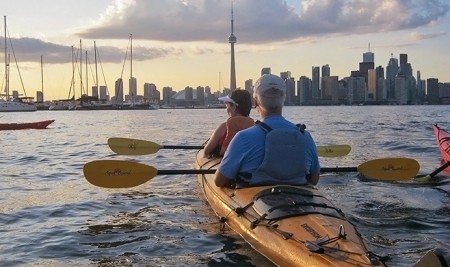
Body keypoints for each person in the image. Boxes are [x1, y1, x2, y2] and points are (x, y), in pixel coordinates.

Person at [214, 74, 320, 187]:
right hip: (299, 198)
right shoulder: (305, 136)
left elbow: (219, 181)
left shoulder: (243, 138)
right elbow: (314, 179)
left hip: (255, 199)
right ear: (283, 99)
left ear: (255, 102)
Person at [203, 89, 254, 158]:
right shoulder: (255, 126)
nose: (227, 110)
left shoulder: (223, 127)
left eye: (227, 106)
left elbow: (206, 151)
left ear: (233, 107)